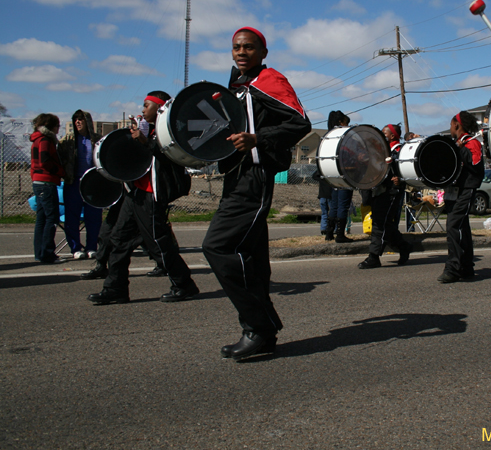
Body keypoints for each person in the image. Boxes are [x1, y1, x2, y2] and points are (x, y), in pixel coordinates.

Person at [202, 27, 311, 362]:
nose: (241, 52)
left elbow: (300, 123)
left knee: (217, 246)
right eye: (236, 47)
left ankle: (260, 326)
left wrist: (257, 138)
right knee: (252, 260)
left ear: (263, 52)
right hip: (235, 176)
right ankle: (259, 333)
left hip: (255, 176)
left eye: (249, 47)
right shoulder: (236, 86)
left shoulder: (270, 80)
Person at [87, 91, 196, 305]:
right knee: (118, 240)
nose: (143, 109)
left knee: (159, 244)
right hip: (136, 193)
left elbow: (167, 155)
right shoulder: (147, 130)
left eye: (147, 105)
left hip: (152, 196)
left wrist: (145, 140)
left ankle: (184, 285)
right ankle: (115, 289)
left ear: (160, 108)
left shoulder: (171, 130)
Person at [358, 123, 413, 269]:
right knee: (384, 223)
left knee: (379, 223)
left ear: (393, 136)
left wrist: (400, 179)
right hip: (380, 190)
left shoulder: (400, 151)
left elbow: (408, 170)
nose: (382, 136)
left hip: (392, 192)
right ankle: (403, 246)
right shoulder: (382, 150)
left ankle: (374, 257)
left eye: (385, 133)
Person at [438, 111, 483, 283]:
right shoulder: (459, 143)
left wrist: (459, 149)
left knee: (454, 225)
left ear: (456, 125)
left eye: (450, 125)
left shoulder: (472, 143)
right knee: (462, 227)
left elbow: (475, 163)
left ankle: (453, 268)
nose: (450, 128)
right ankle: (466, 267)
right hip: (457, 189)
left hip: (467, 188)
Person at [57, 110, 102, 260]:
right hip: (73, 182)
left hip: (93, 183)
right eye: (76, 119)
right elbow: (59, 158)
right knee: (72, 217)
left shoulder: (97, 139)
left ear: (87, 121)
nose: (78, 122)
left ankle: (91, 247)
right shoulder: (68, 140)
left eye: (81, 119)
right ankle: (75, 248)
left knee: (94, 216)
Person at [30, 113, 65, 264]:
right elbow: (44, 161)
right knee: (51, 218)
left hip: (38, 182)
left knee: (42, 218)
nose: (59, 129)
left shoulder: (37, 139)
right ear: (51, 126)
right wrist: (60, 171)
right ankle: (47, 253)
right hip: (46, 182)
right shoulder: (45, 140)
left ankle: (40, 252)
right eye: (57, 125)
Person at [325, 110, 354, 243]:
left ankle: (329, 233)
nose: (348, 126)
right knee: (343, 205)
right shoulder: (343, 139)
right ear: (340, 123)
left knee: (334, 205)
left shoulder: (329, 137)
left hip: (332, 176)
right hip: (345, 176)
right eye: (346, 123)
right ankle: (340, 235)